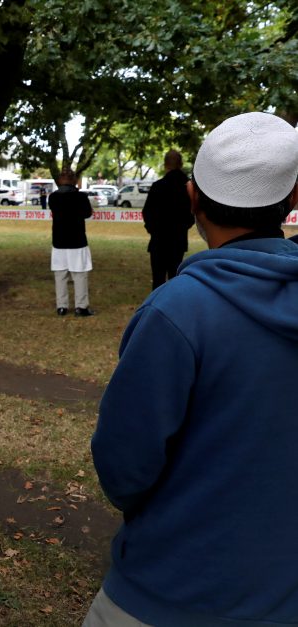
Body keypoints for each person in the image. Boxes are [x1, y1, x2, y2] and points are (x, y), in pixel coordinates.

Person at [86, 112, 298, 627]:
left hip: (166, 592)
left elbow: (124, 468)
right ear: (291, 201)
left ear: (193, 199)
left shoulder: (174, 312)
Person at [142, 149, 194, 290]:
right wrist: (182, 228)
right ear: (181, 164)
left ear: (165, 165)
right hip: (178, 240)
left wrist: (153, 230)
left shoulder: (158, 186)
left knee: (158, 280)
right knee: (174, 278)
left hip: (158, 239)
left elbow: (147, 213)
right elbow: (192, 215)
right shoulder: (188, 188)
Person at [49, 167, 94, 316]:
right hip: (77, 241)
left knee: (60, 275)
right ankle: (81, 307)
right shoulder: (81, 197)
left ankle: (61, 306)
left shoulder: (53, 197)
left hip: (59, 241)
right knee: (79, 274)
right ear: (74, 180)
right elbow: (87, 213)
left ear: (60, 180)